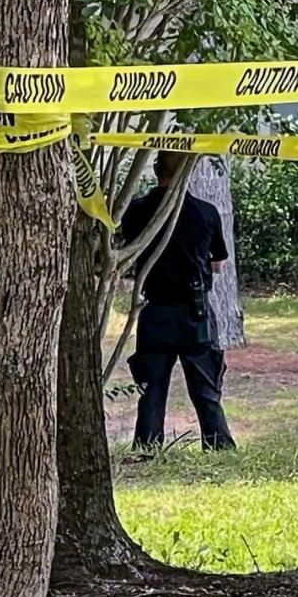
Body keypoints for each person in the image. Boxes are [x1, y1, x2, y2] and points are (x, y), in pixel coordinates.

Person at [121, 150, 236, 450]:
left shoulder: (135, 210)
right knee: (206, 390)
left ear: (156, 169)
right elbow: (218, 263)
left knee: (151, 390)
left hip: (154, 311)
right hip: (193, 312)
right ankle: (218, 444)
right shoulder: (204, 212)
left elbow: (128, 252)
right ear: (187, 171)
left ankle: (147, 446)